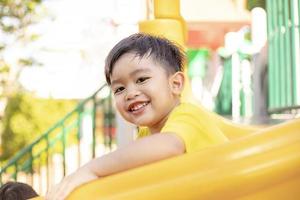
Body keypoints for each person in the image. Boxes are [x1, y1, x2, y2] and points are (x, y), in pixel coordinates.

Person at [46, 33, 229, 199]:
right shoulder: (145, 136)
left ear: (175, 83)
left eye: (141, 79)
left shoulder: (188, 116)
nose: (130, 93)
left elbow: (169, 146)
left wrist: (92, 169)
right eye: (119, 89)